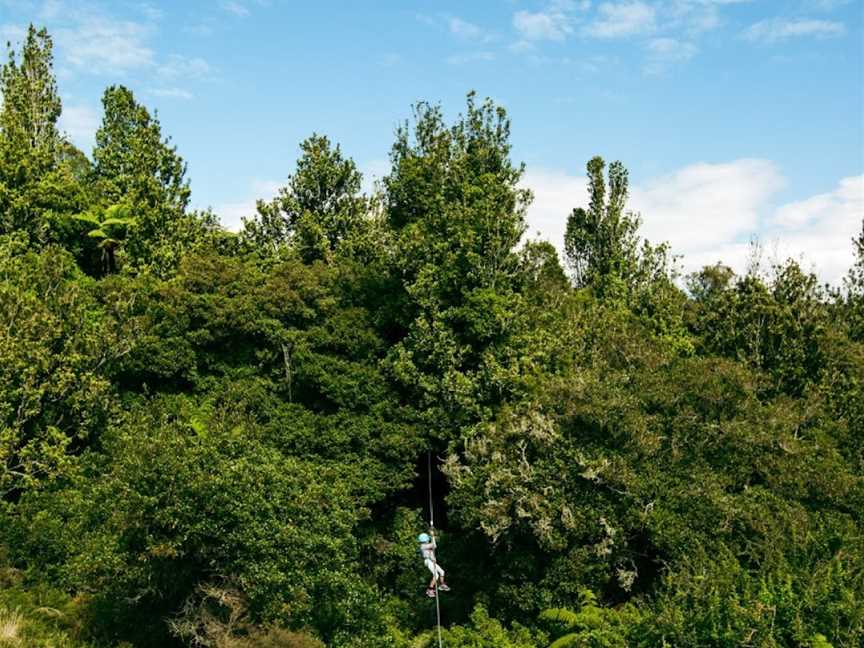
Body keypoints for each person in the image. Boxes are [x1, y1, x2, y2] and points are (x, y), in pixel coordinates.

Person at [418, 529, 450, 597]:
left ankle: (442, 585)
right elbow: (434, 545)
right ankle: (430, 589)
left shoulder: (427, 545)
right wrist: (432, 536)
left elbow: (433, 546)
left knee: (442, 572)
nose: (428, 540)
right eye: (427, 539)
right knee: (436, 575)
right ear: (425, 540)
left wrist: (432, 536)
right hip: (428, 561)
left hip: (432, 561)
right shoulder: (423, 546)